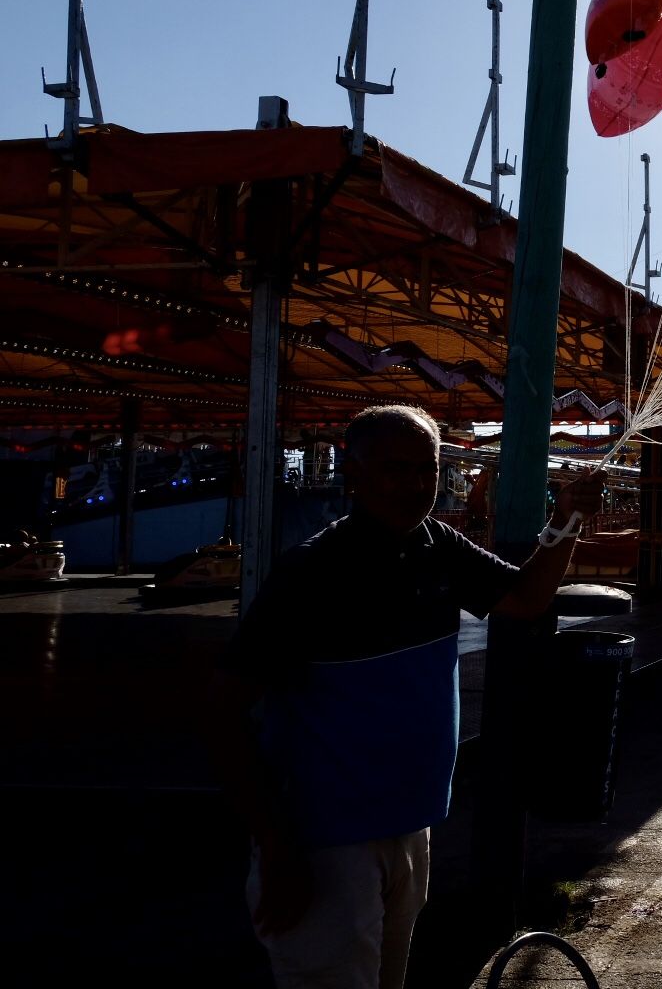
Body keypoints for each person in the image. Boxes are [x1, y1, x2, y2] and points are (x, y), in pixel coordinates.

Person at [205, 406, 596, 988]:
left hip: (410, 827)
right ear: (353, 474)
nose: (414, 486)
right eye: (395, 469)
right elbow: (222, 715)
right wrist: (277, 848)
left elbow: (523, 599)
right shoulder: (311, 573)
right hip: (323, 842)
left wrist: (564, 524)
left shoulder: (436, 543)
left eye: (426, 470)